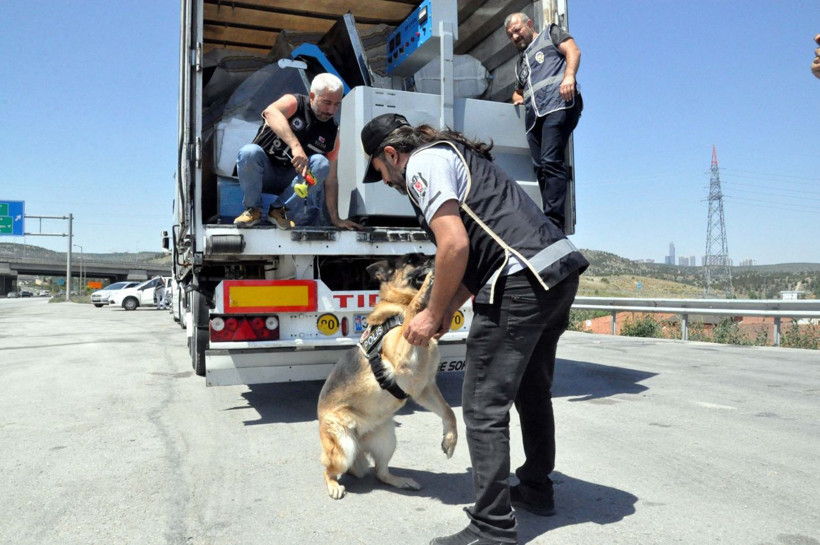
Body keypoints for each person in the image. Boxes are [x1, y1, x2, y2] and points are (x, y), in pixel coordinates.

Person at [359, 113, 589, 545]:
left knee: (483, 406)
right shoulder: (454, 155)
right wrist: (445, 309)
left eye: (380, 171)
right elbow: (479, 255)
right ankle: (536, 488)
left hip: (521, 281)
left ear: (391, 154)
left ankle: (492, 527)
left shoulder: (421, 164)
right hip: (556, 272)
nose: (386, 181)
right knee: (532, 391)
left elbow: (454, 245)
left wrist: (431, 314)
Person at [233, 72, 362, 230]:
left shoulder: (332, 131)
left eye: (337, 104)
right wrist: (296, 146)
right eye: (327, 102)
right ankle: (253, 210)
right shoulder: (295, 103)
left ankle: (279, 210)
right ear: (312, 96)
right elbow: (271, 112)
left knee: (322, 164)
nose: (331, 110)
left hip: (292, 182)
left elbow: (331, 179)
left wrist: (336, 219)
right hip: (264, 174)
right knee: (249, 152)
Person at [505, 12, 582, 231]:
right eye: (511, 35)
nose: (515, 37)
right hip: (535, 118)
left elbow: (573, 50)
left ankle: (554, 223)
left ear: (529, 24)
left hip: (558, 105)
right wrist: (518, 99)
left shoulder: (550, 34)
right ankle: (548, 216)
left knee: (550, 161)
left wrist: (569, 76)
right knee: (539, 167)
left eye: (517, 30)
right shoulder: (521, 63)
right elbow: (517, 91)